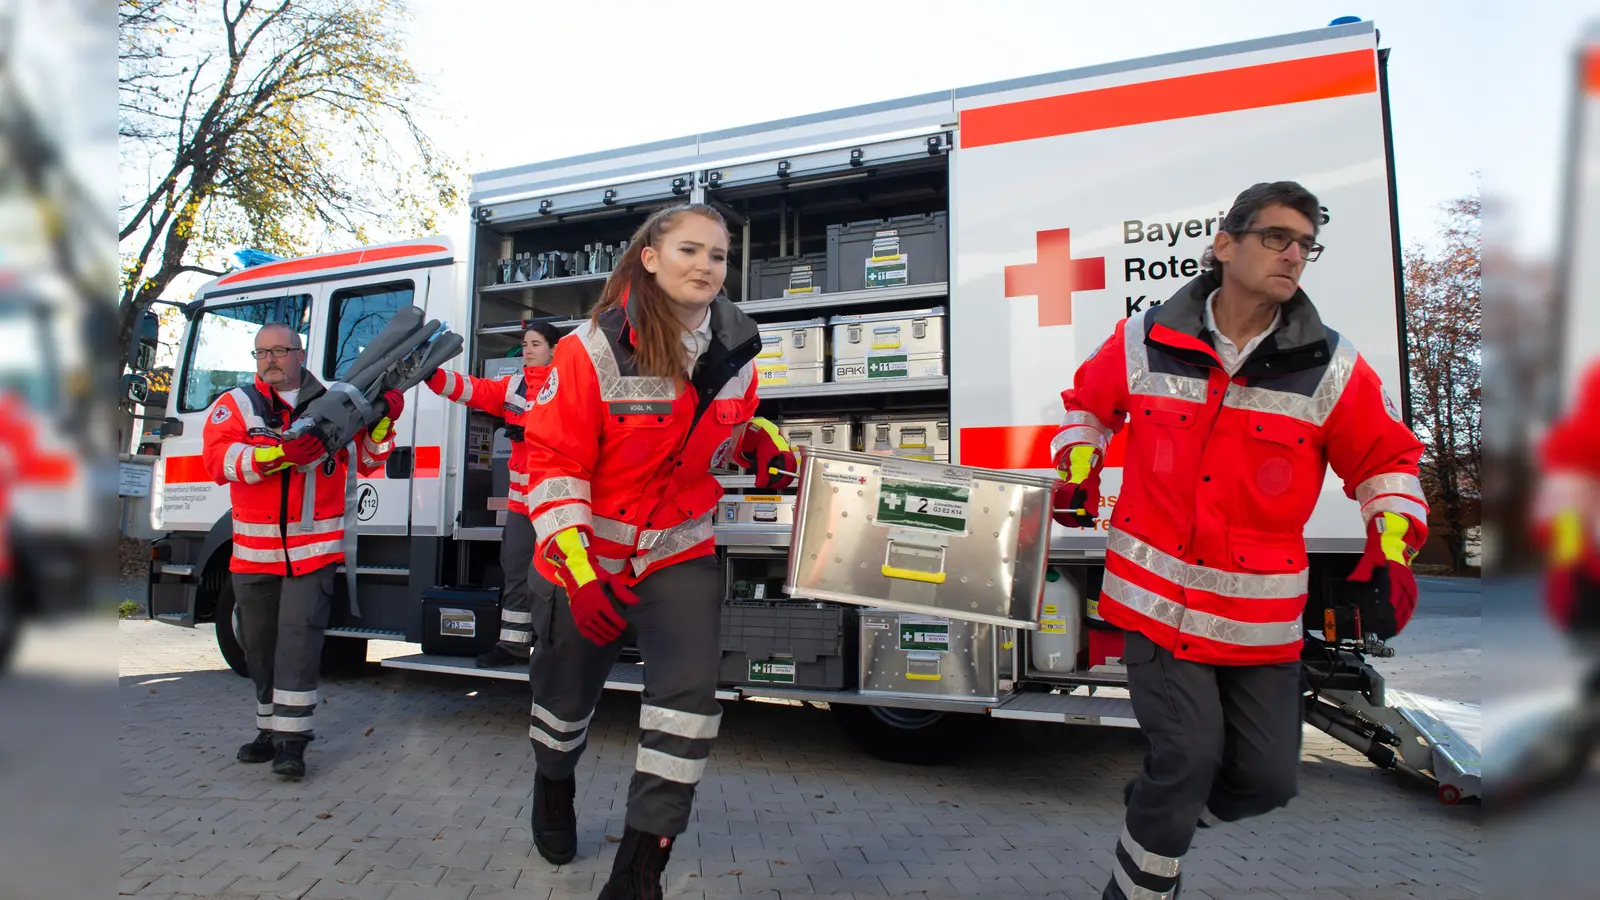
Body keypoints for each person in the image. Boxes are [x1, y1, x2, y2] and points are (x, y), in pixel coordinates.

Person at [1048, 182, 1429, 900]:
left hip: (1261, 620)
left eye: (1307, 244)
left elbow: (1385, 462)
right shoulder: (1145, 339)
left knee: (1265, 782)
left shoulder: (1330, 365)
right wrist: (1077, 458)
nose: (1295, 254)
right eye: (1278, 238)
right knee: (1187, 760)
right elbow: (1088, 409)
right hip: (1158, 602)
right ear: (1225, 244)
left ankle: (1162, 810)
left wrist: (1395, 539)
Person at [518, 203, 794, 900]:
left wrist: (755, 444)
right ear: (650, 257)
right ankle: (553, 783)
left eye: (719, 256)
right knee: (563, 701)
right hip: (584, 561)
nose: (706, 266)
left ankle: (641, 866)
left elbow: (719, 434)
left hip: (678, 549)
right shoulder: (588, 350)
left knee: (687, 703)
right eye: (690, 251)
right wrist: (582, 576)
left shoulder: (737, 348)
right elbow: (554, 466)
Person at [201, 323, 403, 779]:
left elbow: (370, 461)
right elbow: (219, 461)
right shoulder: (236, 404)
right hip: (253, 554)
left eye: (279, 351)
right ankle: (268, 729)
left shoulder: (337, 401)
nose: (269, 359)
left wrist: (384, 419)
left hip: (313, 553)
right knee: (258, 646)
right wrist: (280, 455)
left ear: (300, 353)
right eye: (261, 353)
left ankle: (293, 742)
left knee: (298, 643)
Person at [426, 322, 561, 667]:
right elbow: (473, 389)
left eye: (535, 343)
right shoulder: (513, 386)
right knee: (515, 570)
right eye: (525, 343)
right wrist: (432, 375)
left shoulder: (569, 386)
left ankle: (558, 650)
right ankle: (514, 647)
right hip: (522, 505)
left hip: (560, 505)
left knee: (556, 579)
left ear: (554, 349)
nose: (528, 349)